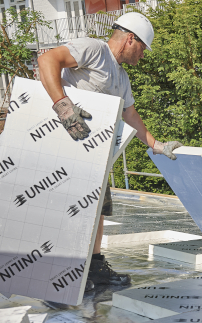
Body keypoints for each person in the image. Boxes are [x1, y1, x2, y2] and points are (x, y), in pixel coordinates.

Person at [38, 12, 182, 291]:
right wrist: (63, 106)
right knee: (64, 212)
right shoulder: (93, 49)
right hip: (65, 152)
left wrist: (157, 146)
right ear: (130, 39)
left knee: (97, 210)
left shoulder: (122, 76)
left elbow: (130, 114)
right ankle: (55, 277)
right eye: (142, 48)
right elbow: (47, 60)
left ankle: (95, 268)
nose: (142, 56)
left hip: (94, 155)